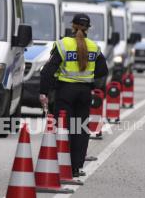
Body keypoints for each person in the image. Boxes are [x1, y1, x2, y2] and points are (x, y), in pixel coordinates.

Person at [39, 13, 108, 177]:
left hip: (65, 92)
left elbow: (48, 71)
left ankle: (62, 166)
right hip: (85, 93)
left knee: (64, 128)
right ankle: (76, 168)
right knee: (80, 129)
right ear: (88, 29)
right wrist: (88, 75)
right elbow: (103, 70)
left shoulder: (63, 45)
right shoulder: (94, 47)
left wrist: (43, 92)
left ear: (72, 26)